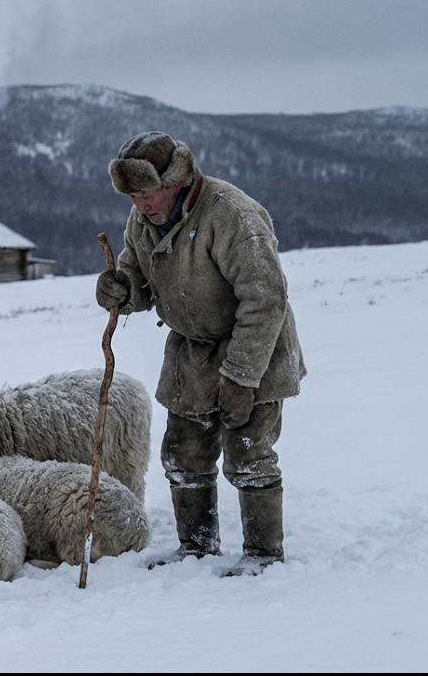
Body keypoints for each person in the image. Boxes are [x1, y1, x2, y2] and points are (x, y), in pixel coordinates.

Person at [95, 131, 306, 577]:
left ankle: (264, 555)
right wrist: (122, 290)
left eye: (148, 193)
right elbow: (138, 277)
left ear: (176, 181)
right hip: (192, 351)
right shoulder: (143, 222)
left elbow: (266, 298)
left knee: (249, 453)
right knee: (183, 452)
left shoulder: (231, 215)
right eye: (133, 196)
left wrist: (243, 376)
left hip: (254, 344)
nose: (141, 205)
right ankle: (197, 545)